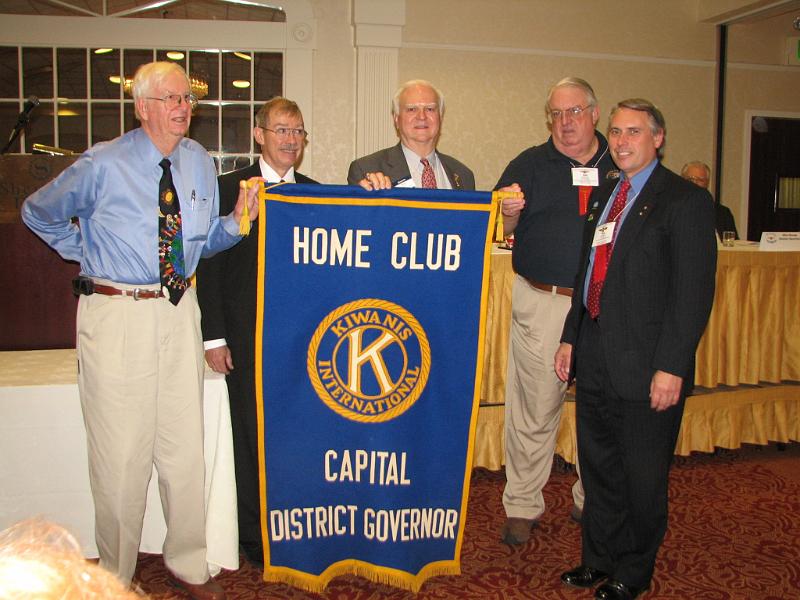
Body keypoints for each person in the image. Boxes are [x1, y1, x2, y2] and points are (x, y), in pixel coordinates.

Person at [21, 61, 261, 600]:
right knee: (122, 456)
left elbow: (196, 246)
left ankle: (189, 563)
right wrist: (88, 256)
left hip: (180, 310)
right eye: (172, 98)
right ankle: (116, 573)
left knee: (183, 450)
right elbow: (39, 213)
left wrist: (236, 222)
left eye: (187, 100)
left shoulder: (199, 163)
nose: (183, 108)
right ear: (143, 106)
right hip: (118, 314)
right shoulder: (102, 163)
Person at [555, 99, 717, 600]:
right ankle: (598, 558)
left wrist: (672, 366)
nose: (622, 141)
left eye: (634, 132)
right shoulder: (608, 193)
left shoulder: (684, 201)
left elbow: (693, 294)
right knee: (599, 467)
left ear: (658, 138)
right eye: (617, 132)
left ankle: (634, 571)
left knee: (642, 478)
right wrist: (569, 336)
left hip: (650, 365)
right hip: (597, 352)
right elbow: (587, 275)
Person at [196, 97, 317, 568]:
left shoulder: (315, 192)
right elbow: (211, 266)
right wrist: (215, 336)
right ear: (259, 134)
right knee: (248, 437)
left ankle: (296, 524)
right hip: (244, 337)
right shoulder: (227, 188)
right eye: (282, 130)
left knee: (295, 434)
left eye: (299, 131)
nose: (291, 140)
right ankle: (253, 535)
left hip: (302, 342)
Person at [496, 77, 616, 545]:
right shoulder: (528, 163)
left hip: (606, 307)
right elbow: (503, 227)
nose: (565, 123)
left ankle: (593, 497)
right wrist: (508, 213)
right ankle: (523, 505)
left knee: (601, 408)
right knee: (534, 407)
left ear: (595, 112)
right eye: (557, 114)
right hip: (545, 302)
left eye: (575, 112)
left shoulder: (622, 162)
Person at [348, 79, 474, 191]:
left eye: (430, 109)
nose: (422, 116)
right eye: (411, 109)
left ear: (440, 117)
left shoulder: (463, 175)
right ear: (396, 119)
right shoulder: (367, 169)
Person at [681, 160, 739, 239]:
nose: (694, 183)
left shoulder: (723, 213)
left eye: (700, 180)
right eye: (690, 179)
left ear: (707, 183)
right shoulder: (671, 209)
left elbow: (733, 242)